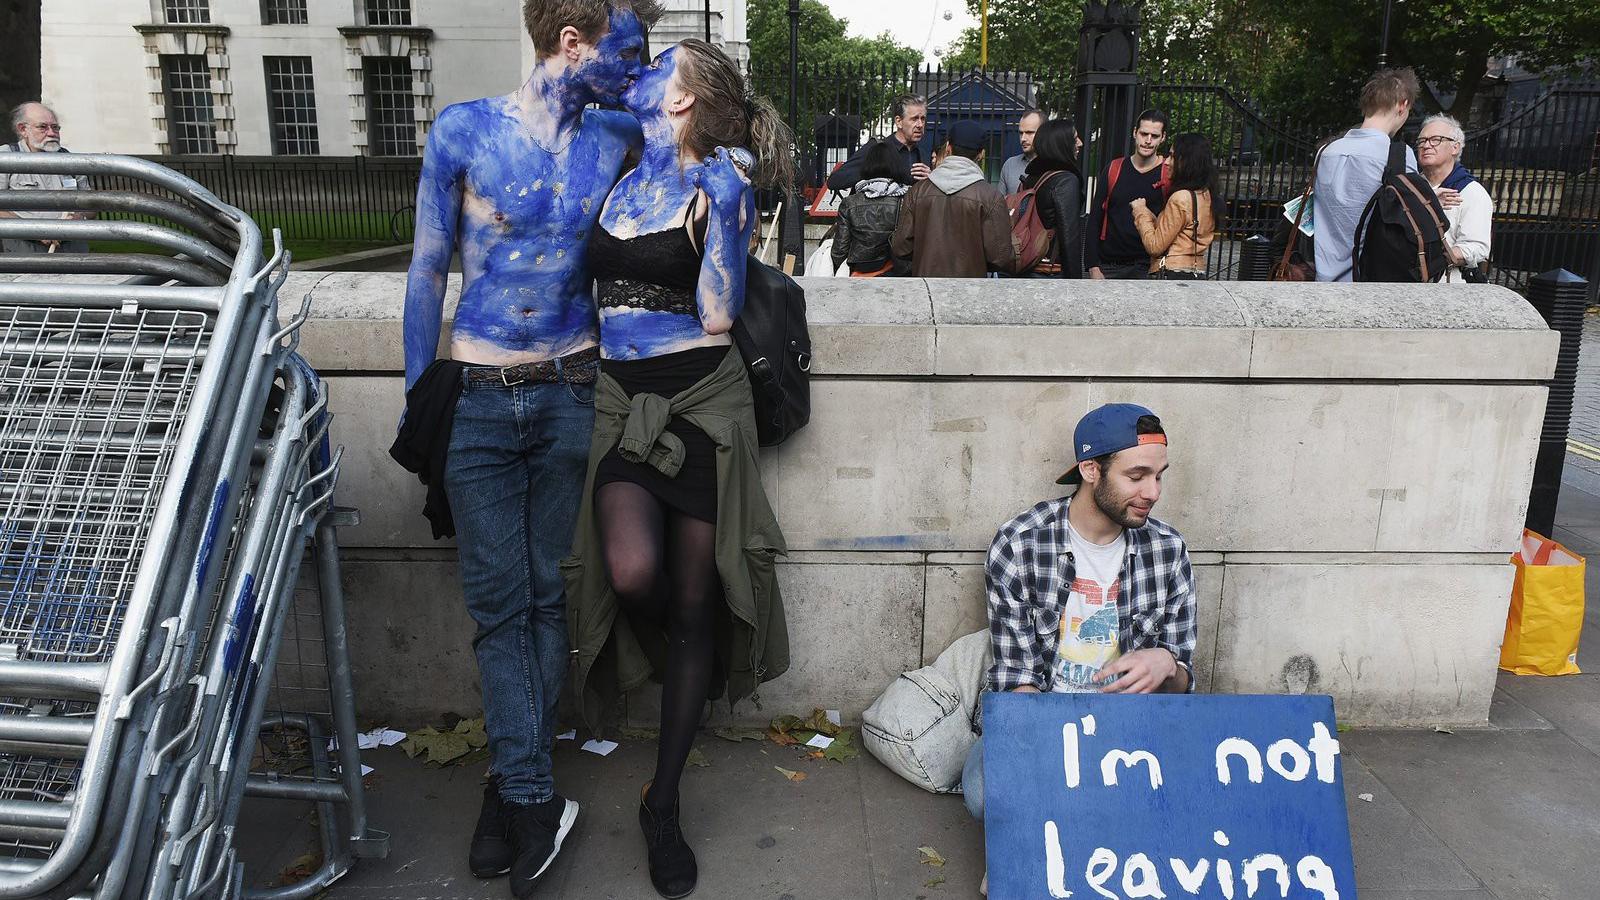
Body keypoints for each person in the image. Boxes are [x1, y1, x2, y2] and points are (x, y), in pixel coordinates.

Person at [392, 1, 656, 895]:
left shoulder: (617, 131)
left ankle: (512, 786)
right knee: (500, 607)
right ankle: (535, 796)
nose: (635, 69)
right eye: (626, 52)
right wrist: (417, 398)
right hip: (476, 396)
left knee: (546, 597)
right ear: (570, 43)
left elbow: (711, 136)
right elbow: (428, 268)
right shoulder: (463, 130)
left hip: (572, 394)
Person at [566, 38, 792, 900]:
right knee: (630, 573)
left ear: (686, 99)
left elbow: (718, 312)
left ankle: (663, 802)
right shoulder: (627, 176)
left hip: (700, 402)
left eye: (658, 67)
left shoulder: (715, 186)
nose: (642, 73)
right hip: (624, 401)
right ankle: (687, 659)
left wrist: (729, 211)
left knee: (695, 599)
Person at [962, 403, 1197, 827]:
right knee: (985, 795)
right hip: (1043, 722)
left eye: (1159, 475)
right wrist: (1062, 757)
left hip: (1131, 728)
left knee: (1197, 789)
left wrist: (1167, 664)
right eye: (1136, 475)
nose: (1154, 492)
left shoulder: (1167, 549)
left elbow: (1180, 688)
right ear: (1091, 470)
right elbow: (1018, 682)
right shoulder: (1020, 544)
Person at [1312, 68, 1420, 282]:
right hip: (1371, 284)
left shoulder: (1325, 152)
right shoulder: (1398, 155)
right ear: (1403, 104)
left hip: (1323, 281)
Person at [890, 120, 1017, 278]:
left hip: (926, 288)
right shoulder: (990, 196)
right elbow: (1001, 257)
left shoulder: (918, 191)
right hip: (971, 290)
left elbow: (901, 247)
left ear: (948, 148)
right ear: (981, 154)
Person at [1086, 109, 1169, 279]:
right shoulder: (1114, 169)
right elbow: (1095, 219)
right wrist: (1093, 266)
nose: (1148, 141)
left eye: (1154, 136)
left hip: (1148, 268)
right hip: (1109, 266)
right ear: (1134, 133)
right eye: (1143, 133)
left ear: (1163, 137)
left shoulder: (1167, 175)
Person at [1, 102, 92, 254]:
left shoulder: (72, 160)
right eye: (42, 127)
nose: (51, 133)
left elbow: (91, 206)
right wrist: (35, 231)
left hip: (74, 249)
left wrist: (79, 216)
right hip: (25, 251)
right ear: (23, 129)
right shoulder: (6, 157)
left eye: (55, 127)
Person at [1131, 132, 1224, 279]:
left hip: (1171, 272)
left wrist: (1140, 211)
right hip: (1195, 271)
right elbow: (1180, 233)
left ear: (1187, 161)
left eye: (1173, 156)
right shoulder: (1206, 196)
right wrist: (1150, 215)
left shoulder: (1180, 198)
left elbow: (1155, 246)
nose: (1166, 162)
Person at [1417, 113, 1493, 283]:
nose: (1426, 145)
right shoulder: (1411, 187)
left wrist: (1433, 259)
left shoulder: (1471, 192)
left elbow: (1477, 247)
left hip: (1448, 286)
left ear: (1455, 148)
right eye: (1422, 141)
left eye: (1436, 139)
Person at [830, 139, 907, 277]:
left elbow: (839, 251)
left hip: (859, 274)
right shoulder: (906, 200)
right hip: (895, 274)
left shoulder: (849, 203)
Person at [1021, 117, 1085, 279]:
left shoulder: (1032, 177)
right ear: (1062, 143)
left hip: (1026, 267)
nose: (1080, 143)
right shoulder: (1065, 181)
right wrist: (1076, 284)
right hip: (1051, 273)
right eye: (1075, 138)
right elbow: (1069, 236)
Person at [825, 94, 929, 190]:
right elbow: (835, 181)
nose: (920, 125)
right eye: (914, 119)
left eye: (923, 119)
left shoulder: (923, 153)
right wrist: (876, 171)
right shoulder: (877, 148)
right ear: (899, 122)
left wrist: (931, 179)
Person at [1001, 109, 1044, 195]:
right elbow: (1000, 203)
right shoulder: (1010, 165)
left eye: (1029, 132)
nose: (1023, 138)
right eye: (1021, 133)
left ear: (1044, 132)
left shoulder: (1053, 165)